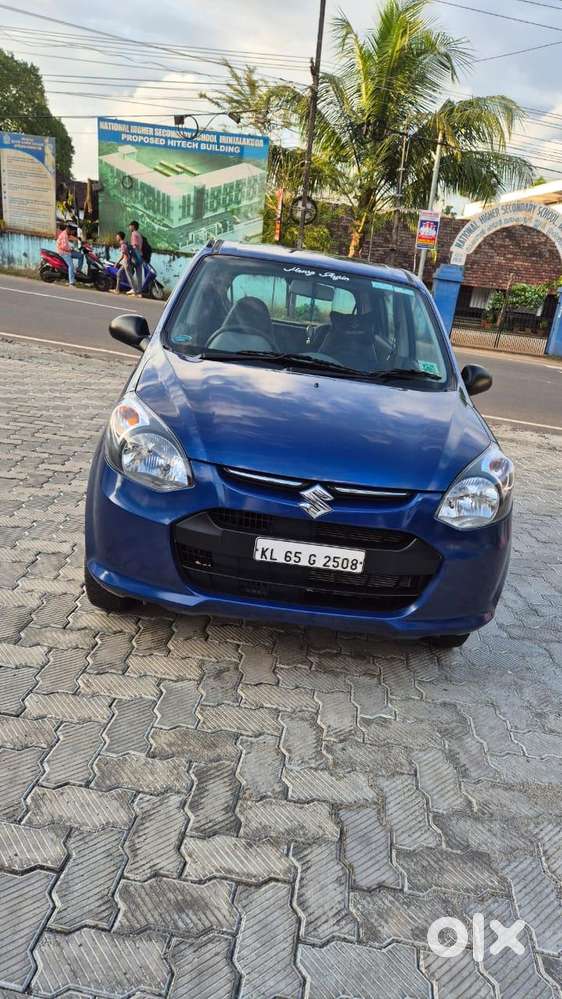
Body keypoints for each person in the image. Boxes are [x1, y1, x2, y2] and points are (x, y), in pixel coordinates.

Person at [111, 231, 135, 295]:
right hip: (125, 262)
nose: (116, 237)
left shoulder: (123, 245)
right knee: (118, 274)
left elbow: (124, 255)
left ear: (120, 237)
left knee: (129, 276)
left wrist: (118, 262)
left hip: (126, 262)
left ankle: (134, 290)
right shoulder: (124, 243)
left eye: (117, 236)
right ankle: (117, 290)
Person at [128, 220, 144, 297]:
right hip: (140, 255)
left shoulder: (134, 234)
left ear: (133, 226)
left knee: (129, 272)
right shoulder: (139, 234)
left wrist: (132, 256)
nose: (129, 227)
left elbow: (135, 246)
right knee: (139, 274)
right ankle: (139, 291)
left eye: (130, 226)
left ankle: (134, 290)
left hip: (135, 255)